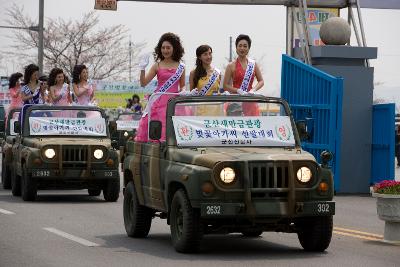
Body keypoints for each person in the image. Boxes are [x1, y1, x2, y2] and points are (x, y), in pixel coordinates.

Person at [135, 32, 186, 142]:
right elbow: (143, 83)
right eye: (163, 48)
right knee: (157, 131)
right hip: (158, 101)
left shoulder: (181, 66)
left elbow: (182, 86)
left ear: (174, 48)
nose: (165, 50)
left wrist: (184, 91)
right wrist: (142, 68)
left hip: (174, 101)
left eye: (168, 47)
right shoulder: (157, 65)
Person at [223, 34, 264, 116]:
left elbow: (261, 81)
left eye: (245, 46)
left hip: (250, 101)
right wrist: (238, 90)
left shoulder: (253, 64)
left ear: (248, 48)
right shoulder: (230, 66)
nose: (242, 48)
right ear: (236, 48)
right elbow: (225, 86)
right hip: (236, 102)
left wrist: (253, 90)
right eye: (240, 46)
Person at [189, 44, 222, 115]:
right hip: (200, 111)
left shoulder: (217, 73)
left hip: (215, 110)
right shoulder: (193, 73)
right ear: (199, 57)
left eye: (210, 54)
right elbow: (191, 93)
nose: (208, 57)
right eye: (205, 54)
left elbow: (217, 91)